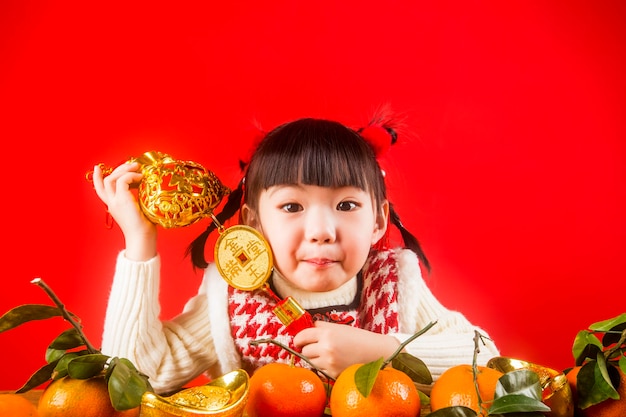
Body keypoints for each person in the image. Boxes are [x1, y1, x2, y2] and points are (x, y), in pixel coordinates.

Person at [92, 115, 499, 395]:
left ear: (378, 220)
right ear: (253, 223)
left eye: (346, 206)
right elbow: (137, 377)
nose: (321, 232)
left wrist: (383, 351)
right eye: (292, 207)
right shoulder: (233, 299)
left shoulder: (391, 283)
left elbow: (487, 359)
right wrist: (139, 243)